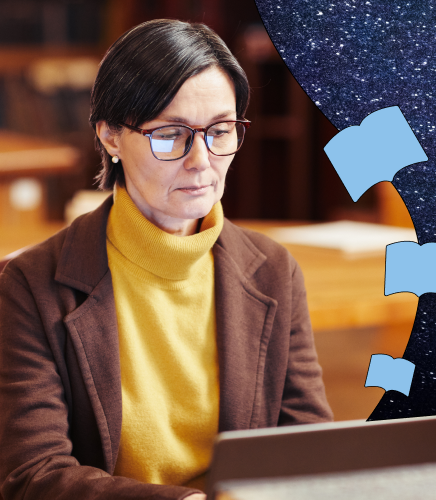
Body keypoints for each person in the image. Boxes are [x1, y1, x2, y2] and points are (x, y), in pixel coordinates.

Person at [0, 19, 332, 500]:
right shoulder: (31, 285)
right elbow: (34, 475)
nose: (201, 160)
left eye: (221, 130)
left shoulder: (273, 270)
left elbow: (310, 449)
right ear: (111, 137)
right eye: (171, 134)